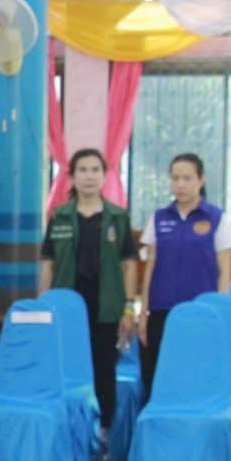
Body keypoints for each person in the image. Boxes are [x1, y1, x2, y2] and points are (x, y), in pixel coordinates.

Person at [37, 148, 139, 438]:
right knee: (66, 370)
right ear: (72, 176)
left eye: (95, 170)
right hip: (67, 308)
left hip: (107, 307)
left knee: (103, 370)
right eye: (82, 170)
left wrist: (128, 307)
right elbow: (48, 264)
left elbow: (129, 265)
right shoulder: (59, 216)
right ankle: (68, 432)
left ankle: (101, 437)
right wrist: (44, 305)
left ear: (104, 176)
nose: (89, 176)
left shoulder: (118, 217)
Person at [139, 151, 231, 395]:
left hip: (201, 314)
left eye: (187, 178)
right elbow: (150, 266)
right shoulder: (159, 218)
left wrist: (221, 312)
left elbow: (224, 272)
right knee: (158, 381)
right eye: (175, 178)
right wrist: (143, 313)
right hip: (162, 312)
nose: (180, 185)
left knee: (196, 381)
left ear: (200, 180)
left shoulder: (216, 218)